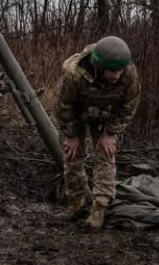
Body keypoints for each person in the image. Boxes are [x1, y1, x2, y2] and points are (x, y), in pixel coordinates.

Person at [55, 36, 141, 229]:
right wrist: (71, 135)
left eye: (119, 70)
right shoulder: (75, 74)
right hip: (77, 113)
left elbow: (130, 105)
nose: (116, 75)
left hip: (106, 114)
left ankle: (100, 207)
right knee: (72, 155)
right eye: (112, 70)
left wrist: (111, 132)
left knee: (106, 154)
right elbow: (64, 105)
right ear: (100, 66)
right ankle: (76, 203)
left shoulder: (129, 73)